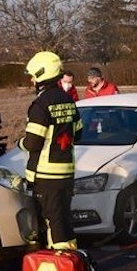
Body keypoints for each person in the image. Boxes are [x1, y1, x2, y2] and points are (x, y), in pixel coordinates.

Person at [22, 51, 83, 249]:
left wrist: (19, 143)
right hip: (66, 172)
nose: (31, 80)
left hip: (46, 174)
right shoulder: (68, 101)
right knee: (63, 220)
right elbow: (79, 134)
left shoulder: (41, 104)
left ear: (41, 75)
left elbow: (32, 143)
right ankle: (71, 263)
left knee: (52, 223)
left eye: (32, 76)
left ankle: (59, 267)